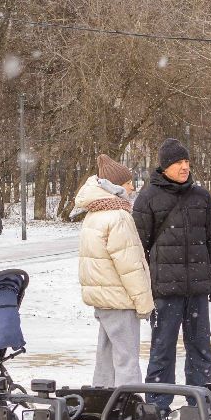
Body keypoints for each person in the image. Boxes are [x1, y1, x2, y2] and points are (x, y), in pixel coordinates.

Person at [133, 137, 211, 407]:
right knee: (163, 350)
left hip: (197, 289)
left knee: (200, 349)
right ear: (165, 167)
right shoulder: (148, 197)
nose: (184, 167)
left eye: (186, 162)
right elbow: (139, 249)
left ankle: (200, 403)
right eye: (178, 163)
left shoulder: (201, 196)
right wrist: (144, 288)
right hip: (165, 292)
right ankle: (158, 407)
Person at [73, 154, 153, 387]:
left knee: (106, 359)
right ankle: (129, 407)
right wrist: (144, 302)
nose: (133, 187)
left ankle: (100, 403)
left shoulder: (94, 214)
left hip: (104, 298)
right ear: (115, 186)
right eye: (128, 182)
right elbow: (130, 265)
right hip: (120, 298)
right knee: (127, 359)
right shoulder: (118, 216)